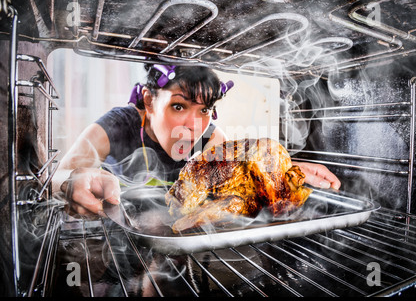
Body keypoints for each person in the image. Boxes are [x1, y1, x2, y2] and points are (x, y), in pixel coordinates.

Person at [53, 64, 340, 218]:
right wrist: (72, 181)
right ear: (150, 101)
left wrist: (289, 172)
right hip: (113, 231)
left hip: (169, 232)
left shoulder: (210, 137)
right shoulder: (117, 125)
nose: (194, 125)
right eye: (179, 107)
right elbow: (60, 175)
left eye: (203, 110)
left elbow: (246, 179)